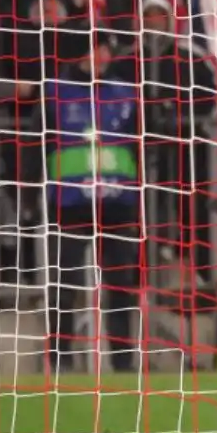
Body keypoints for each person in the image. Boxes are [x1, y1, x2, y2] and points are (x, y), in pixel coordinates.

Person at [45, 32, 144, 375]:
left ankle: (122, 359)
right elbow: (35, 144)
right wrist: (30, 195)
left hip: (117, 203)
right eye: (99, 48)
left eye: (107, 50)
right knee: (66, 282)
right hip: (70, 202)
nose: (105, 56)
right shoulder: (55, 91)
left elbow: (142, 142)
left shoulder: (126, 92)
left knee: (121, 284)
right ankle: (60, 358)